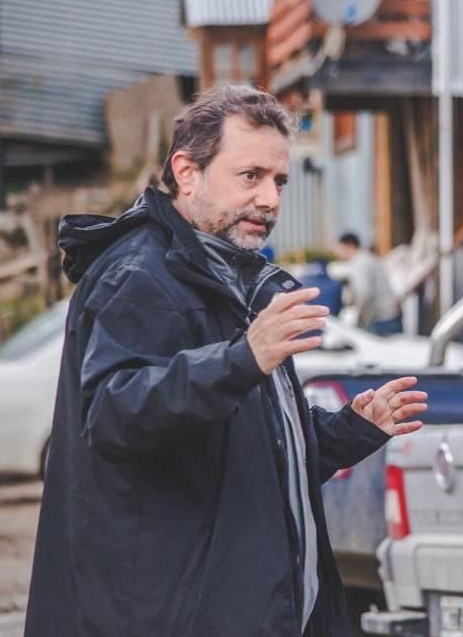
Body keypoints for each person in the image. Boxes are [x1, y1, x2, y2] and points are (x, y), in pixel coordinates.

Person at [25, 85, 428, 637]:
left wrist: (351, 430)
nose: (270, 199)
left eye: (279, 180)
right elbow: (114, 415)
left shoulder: (236, 281)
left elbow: (250, 455)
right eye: (250, 176)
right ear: (186, 172)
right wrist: (243, 359)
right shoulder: (139, 278)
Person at [333, 232, 403, 336]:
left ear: (349, 245)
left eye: (339, 248)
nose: (337, 253)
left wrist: (360, 322)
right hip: (389, 315)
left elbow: (364, 294)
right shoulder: (366, 258)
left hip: (383, 319)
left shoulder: (360, 262)